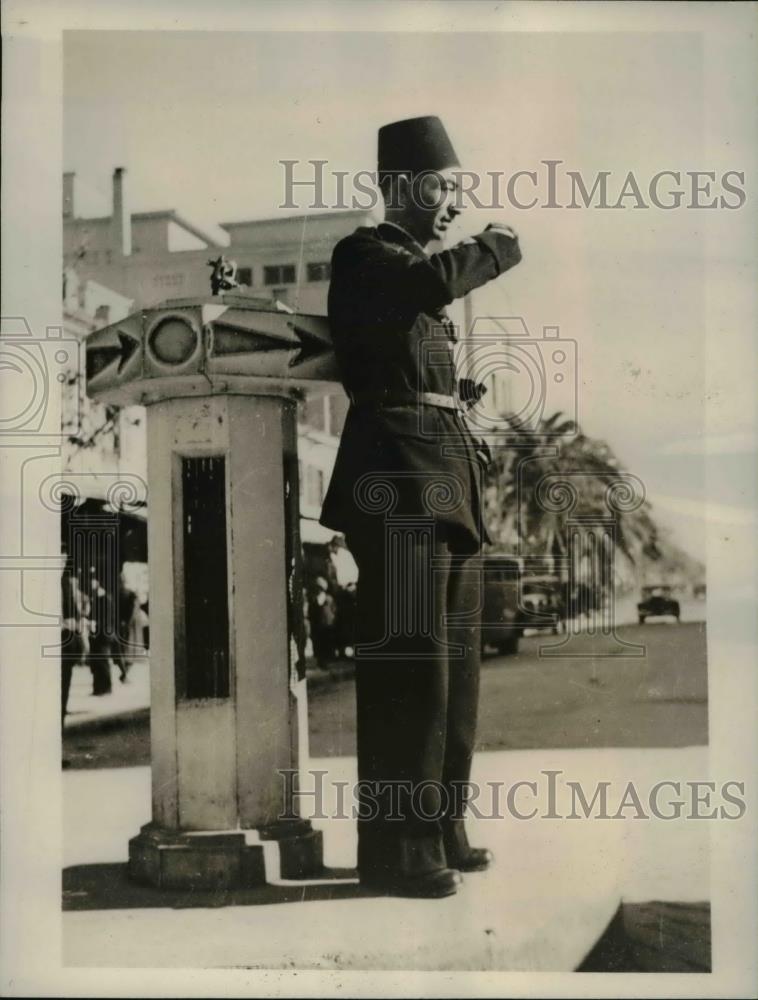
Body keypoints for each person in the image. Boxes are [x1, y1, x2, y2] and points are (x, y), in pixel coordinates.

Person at [319, 115, 522, 897]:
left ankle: (441, 825)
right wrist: (499, 244)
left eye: (456, 192)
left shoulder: (409, 269)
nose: (450, 206)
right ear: (397, 188)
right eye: (439, 189)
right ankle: (396, 849)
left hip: (443, 477)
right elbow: (434, 282)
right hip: (396, 479)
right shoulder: (366, 253)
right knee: (412, 668)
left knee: (455, 673)